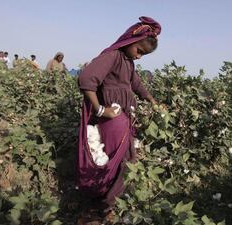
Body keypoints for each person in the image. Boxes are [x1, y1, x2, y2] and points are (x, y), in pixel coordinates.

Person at [76, 16, 161, 224]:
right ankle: (100, 206)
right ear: (130, 40)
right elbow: (86, 78)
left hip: (124, 119)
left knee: (125, 161)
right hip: (113, 122)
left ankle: (107, 204)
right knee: (114, 162)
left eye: (144, 55)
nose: (140, 57)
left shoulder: (128, 63)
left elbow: (137, 85)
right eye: (139, 51)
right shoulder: (112, 56)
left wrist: (152, 100)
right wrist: (100, 110)